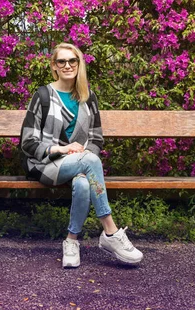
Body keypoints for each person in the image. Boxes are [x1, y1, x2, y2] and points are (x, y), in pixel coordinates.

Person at [20, 42, 143, 268]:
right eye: (61, 61)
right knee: (89, 162)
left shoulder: (88, 97)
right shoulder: (43, 95)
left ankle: (71, 240)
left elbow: (96, 138)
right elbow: (27, 142)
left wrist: (84, 159)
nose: (67, 65)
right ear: (54, 66)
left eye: (72, 61)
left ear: (79, 64)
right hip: (45, 164)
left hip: (81, 163)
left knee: (85, 182)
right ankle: (110, 231)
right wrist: (60, 149)